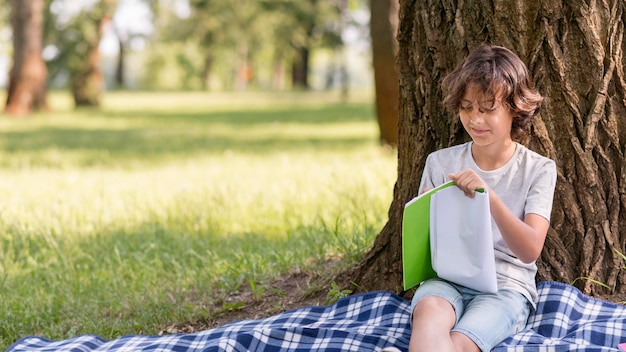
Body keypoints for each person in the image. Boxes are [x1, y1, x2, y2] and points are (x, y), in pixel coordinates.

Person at [405, 43, 557, 352]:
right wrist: (425, 217)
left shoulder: (539, 169)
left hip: (506, 287)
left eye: (487, 109)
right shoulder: (440, 163)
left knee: (460, 345)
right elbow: (423, 251)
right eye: (467, 107)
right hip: (445, 280)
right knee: (429, 318)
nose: (475, 119)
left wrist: (489, 198)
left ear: (515, 107)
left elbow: (530, 250)